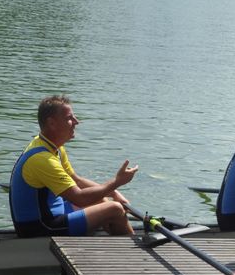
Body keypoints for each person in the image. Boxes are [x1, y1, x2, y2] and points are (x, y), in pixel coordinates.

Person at [9, 95, 138, 237]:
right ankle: (133, 245)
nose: (76, 121)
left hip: (55, 213)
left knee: (101, 200)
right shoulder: (42, 159)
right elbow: (79, 198)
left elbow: (76, 180)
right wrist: (117, 182)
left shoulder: (52, 147)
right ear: (51, 123)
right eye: (69, 118)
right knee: (114, 209)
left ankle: (114, 240)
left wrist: (114, 193)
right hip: (39, 227)